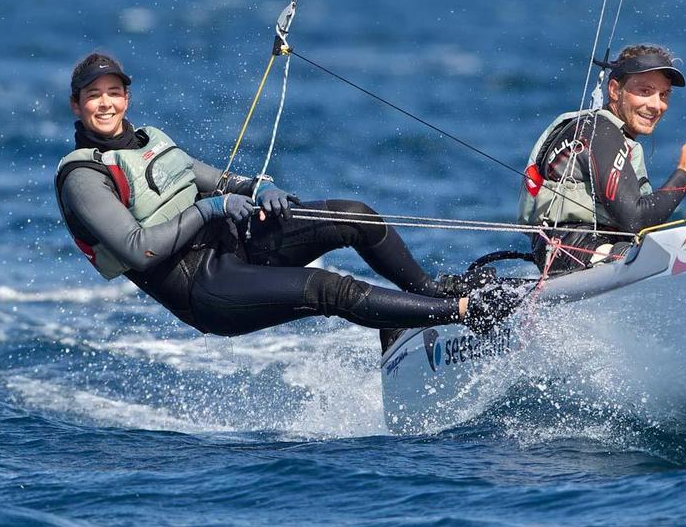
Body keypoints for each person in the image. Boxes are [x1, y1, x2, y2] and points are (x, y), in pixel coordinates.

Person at [55, 52, 514, 337]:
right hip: (203, 287)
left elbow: (217, 181)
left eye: (114, 92)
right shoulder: (82, 177)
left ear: (127, 98)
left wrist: (259, 186)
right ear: (77, 105)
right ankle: (463, 312)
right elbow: (142, 248)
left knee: (356, 216)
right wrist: (211, 208)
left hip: (235, 245)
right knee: (330, 289)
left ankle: (426, 294)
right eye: (94, 96)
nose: (106, 103)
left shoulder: (149, 138)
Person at [518, 43, 686, 273]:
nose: (656, 105)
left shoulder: (602, 130)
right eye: (645, 91)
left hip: (571, 252)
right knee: (656, 257)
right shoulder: (601, 133)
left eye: (664, 94)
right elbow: (637, 221)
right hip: (576, 250)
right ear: (614, 90)